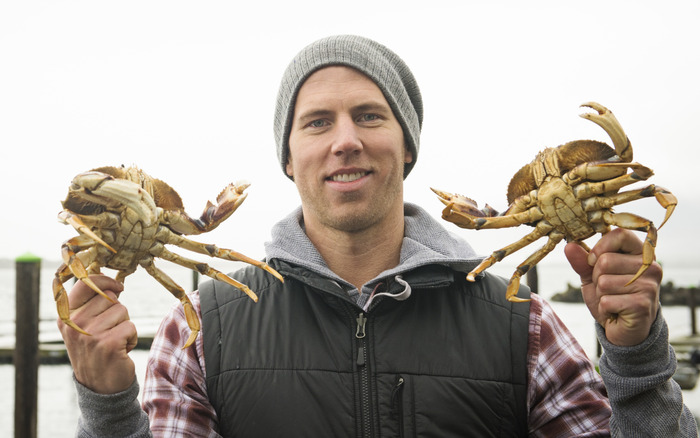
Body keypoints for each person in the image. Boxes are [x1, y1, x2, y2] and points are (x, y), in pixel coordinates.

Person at [59, 35, 697, 437]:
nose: (345, 140)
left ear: (407, 149)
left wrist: (637, 360)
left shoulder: (522, 321)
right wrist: (108, 407)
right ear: (288, 158)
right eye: (316, 123)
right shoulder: (200, 327)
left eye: (369, 115)